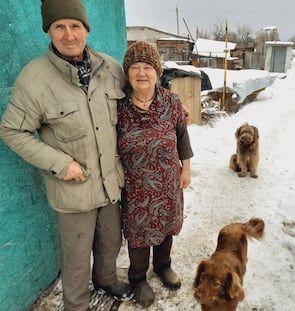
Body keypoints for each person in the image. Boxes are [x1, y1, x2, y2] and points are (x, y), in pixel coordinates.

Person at [0, 0, 131, 310]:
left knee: (111, 242)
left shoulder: (109, 68)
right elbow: (11, 131)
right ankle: (77, 304)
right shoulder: (34, 79)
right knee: (75, 259)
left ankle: (107, 278)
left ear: (86, 29)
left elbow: (137, 103)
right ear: (49, 31)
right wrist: (61, 164)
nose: (69, 35)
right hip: (73, 190)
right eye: (59, 27)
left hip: (110, 183)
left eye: (75, 26)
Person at [117, 41, 193, 307]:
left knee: (165, 227)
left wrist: (186, 168)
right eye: (135, 67)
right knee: (138, 235)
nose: (141, 72)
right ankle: (138, 278)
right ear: (127, 73)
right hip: (134, 186)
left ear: (157, 71)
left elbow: (182, 137)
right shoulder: (118, 108)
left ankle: (163, 266)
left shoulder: (172, 102)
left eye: (147, 66)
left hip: (168, 182)